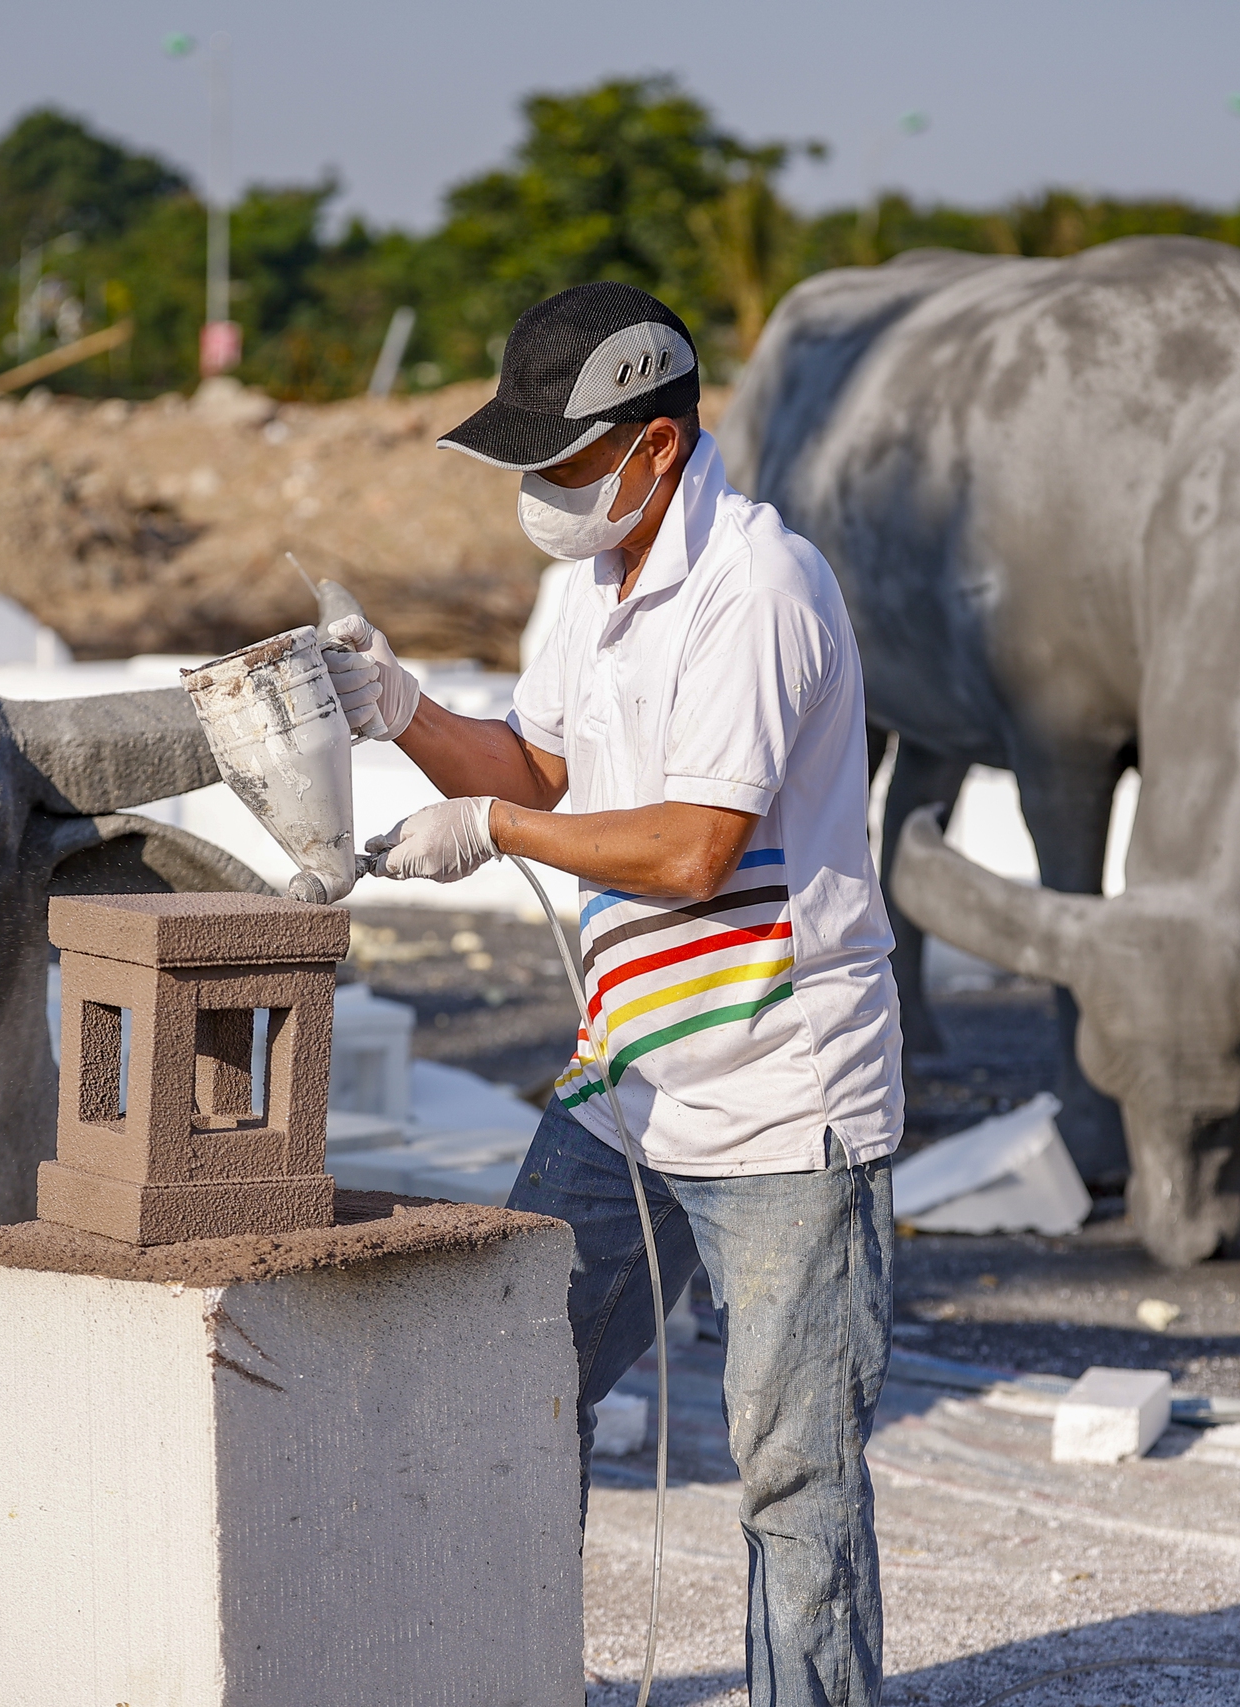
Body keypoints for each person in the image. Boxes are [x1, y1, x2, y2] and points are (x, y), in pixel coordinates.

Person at [324, 281, 902, 1703]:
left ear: (652, 450)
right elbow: (542, 771)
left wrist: (502, 835)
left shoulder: (757, 588)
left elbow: (698, 849)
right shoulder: (586, 584)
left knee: (793, 1471)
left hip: (783, 1089)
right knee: (513, 1380)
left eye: (563, 461)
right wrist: (406, 718)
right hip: (631, 1077)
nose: (539, 490)